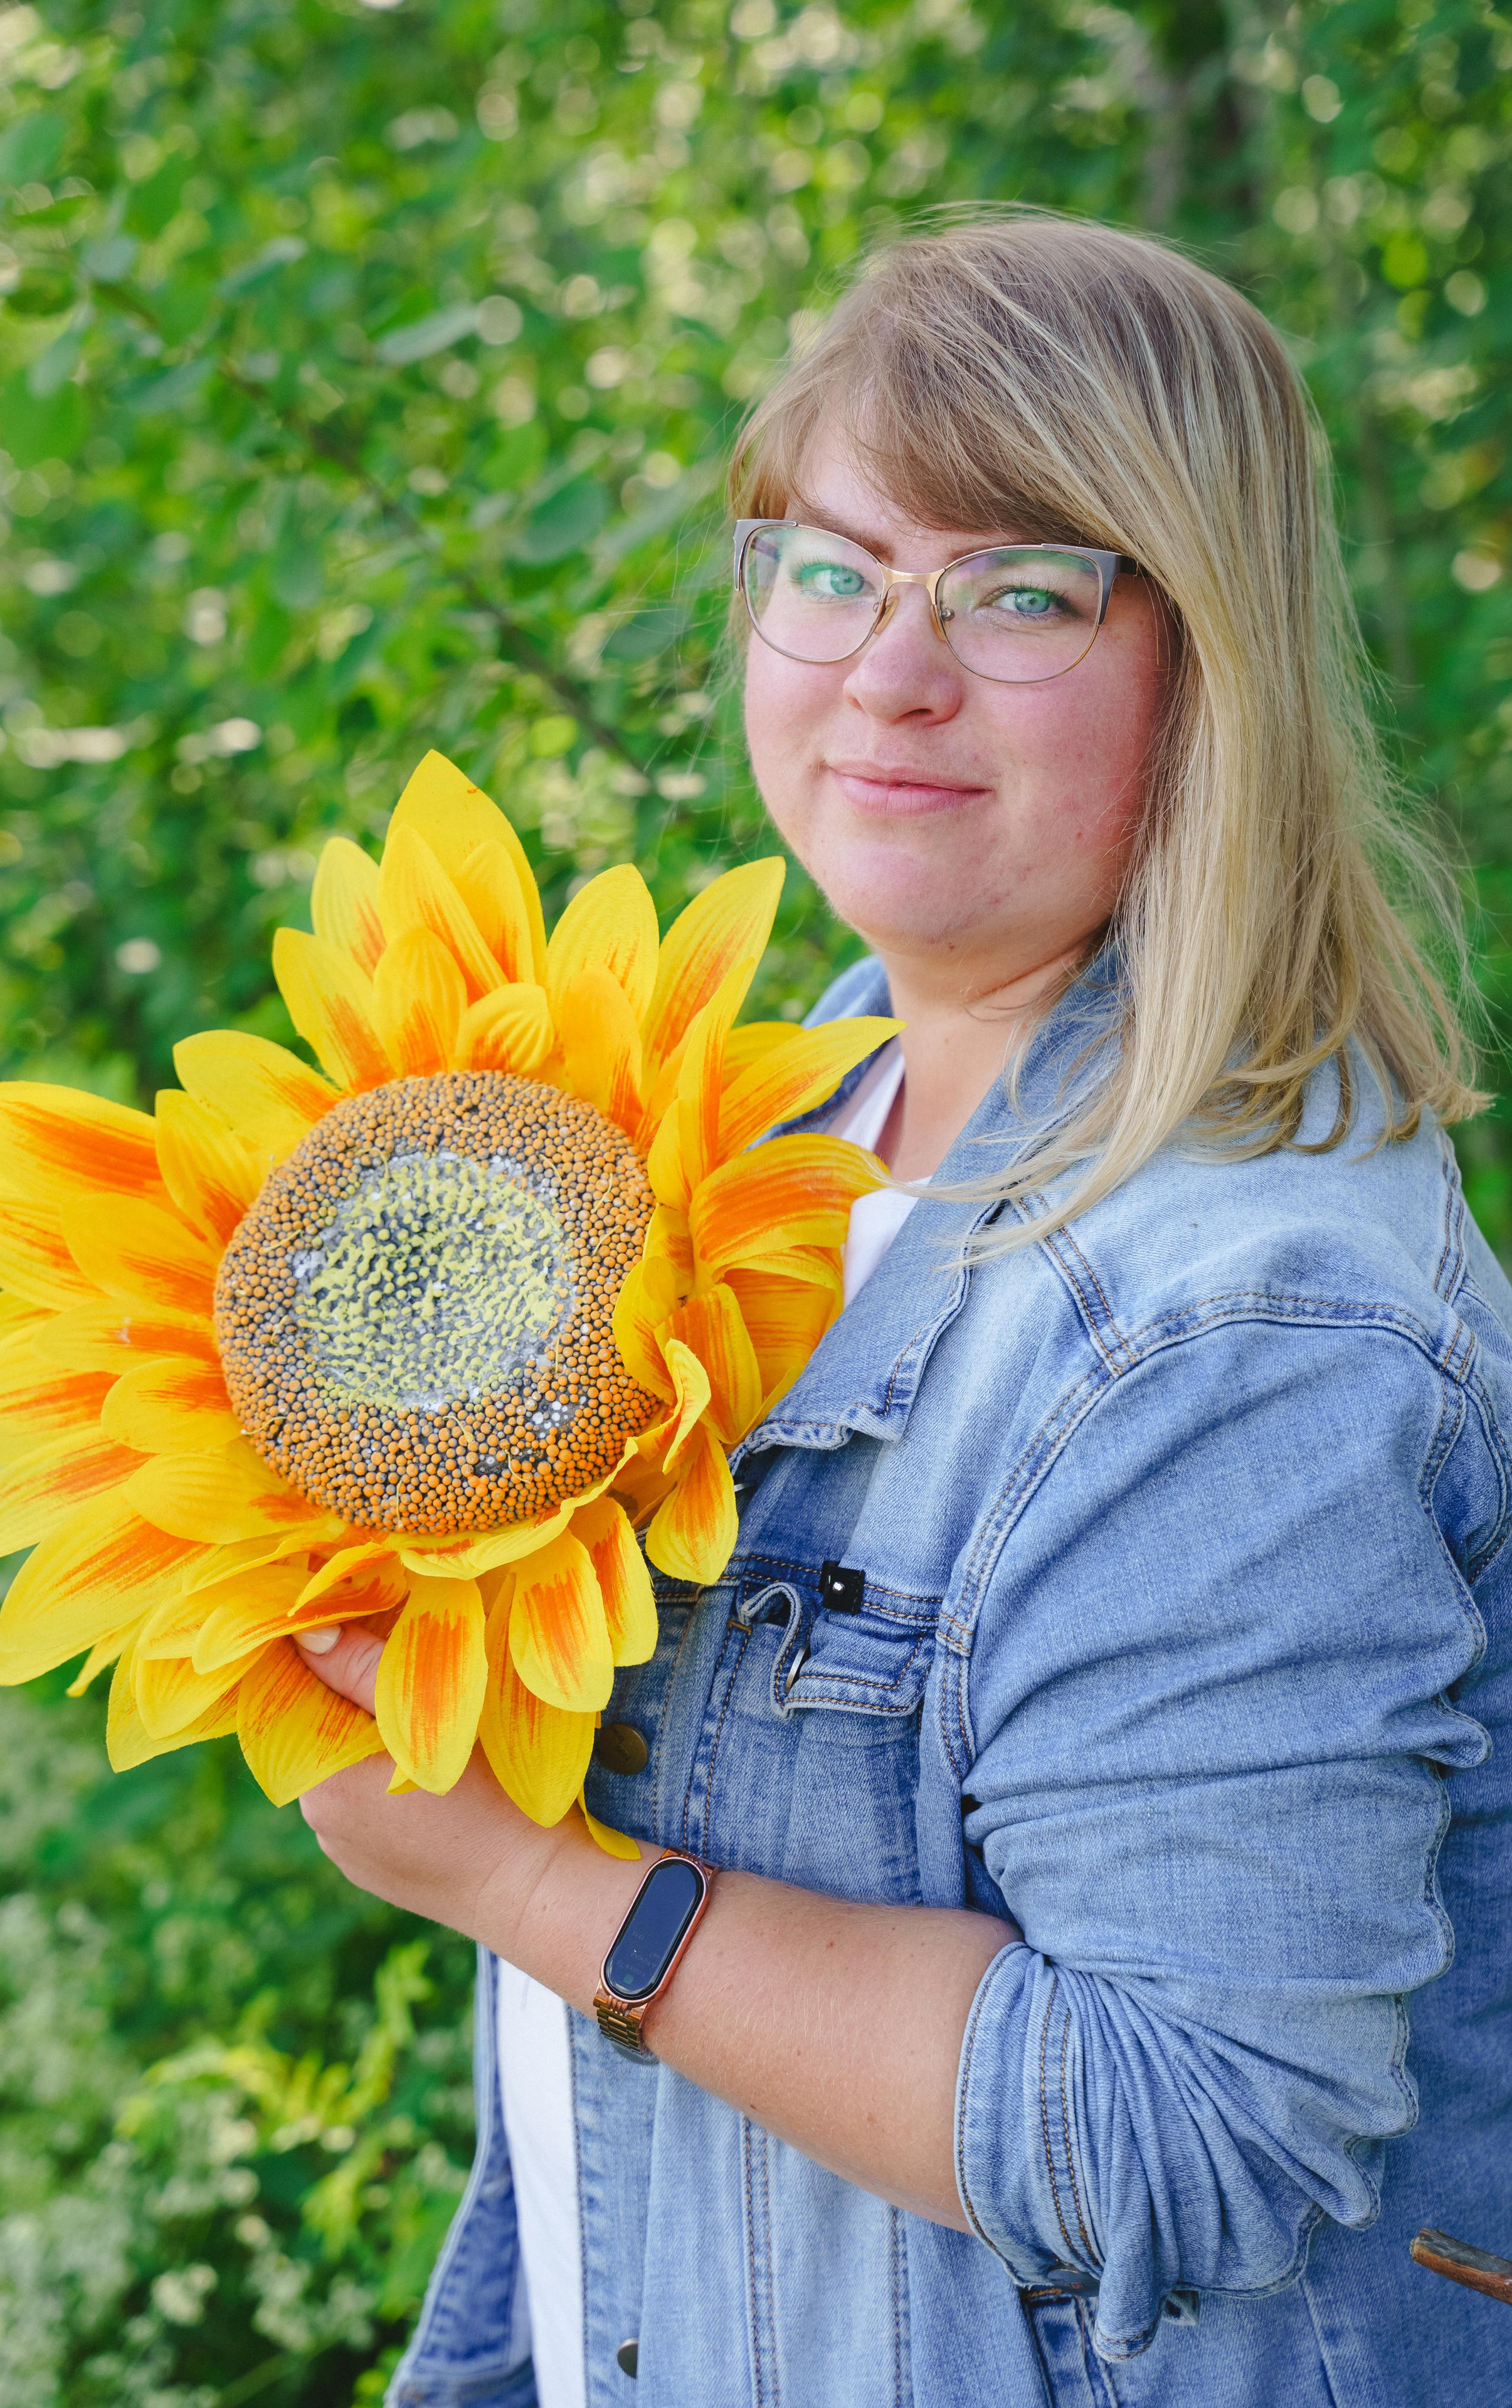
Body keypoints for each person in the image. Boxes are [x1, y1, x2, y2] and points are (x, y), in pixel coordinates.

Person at [288, 213, 1512, 2407]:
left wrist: (522, 1883)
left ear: (1204, 653)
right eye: (832, 569)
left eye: (1019, 591)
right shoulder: (781, 1108)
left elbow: (1188, 2125)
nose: (889, 673)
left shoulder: (1241, 1327)